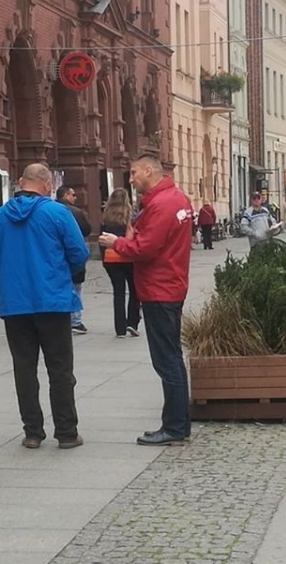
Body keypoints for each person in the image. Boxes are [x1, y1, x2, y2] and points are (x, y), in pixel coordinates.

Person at [0, 164, 89, 450]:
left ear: (21, 182)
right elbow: (79, 252)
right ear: (47, 185)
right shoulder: (57, 212)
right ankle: (66, 432)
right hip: (52, 301)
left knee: (24, 369)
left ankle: (32, 432)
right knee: (60, 369)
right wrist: (61, 273)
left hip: (15, 303)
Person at [99, 153, 193, 446]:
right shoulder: (177, 199)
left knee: (167, 360)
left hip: (159, 288)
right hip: (170, 284)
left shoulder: (161, 205)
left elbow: (145, 248)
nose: (131, 179)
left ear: (149, 171)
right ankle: (178, 424)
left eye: (134, 173)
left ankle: (175, 427)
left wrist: (117, 243)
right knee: (172, 358)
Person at [100, 188, 141, 338]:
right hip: (128, 257)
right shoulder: (131, 215)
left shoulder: (105, 217)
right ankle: (132, 323)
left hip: (111, 259)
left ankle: (120, 328)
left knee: (118, 293)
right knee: (134, 291)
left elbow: (102, 239)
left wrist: (104, 258)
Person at [56, 185, 92, 334]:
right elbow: (87, 230)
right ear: (66, 195)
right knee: (76, 288)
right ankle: (75, 321)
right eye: (73, 195)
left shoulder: (49, 210)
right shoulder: (76, 212)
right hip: (72, 256)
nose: (75, 197)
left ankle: (62, 320)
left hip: (56, 259)